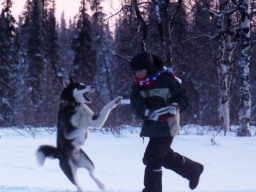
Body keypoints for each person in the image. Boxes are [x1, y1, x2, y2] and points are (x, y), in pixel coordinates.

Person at [130, 52, 204, 192]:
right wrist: (147, 112)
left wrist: (175, 106)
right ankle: (193, 169)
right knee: (163, 156)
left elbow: (183, 98)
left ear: (149, 68)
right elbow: (135, 105)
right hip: (151, 126)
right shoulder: (138, 85)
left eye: (140, 70)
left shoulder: (166, 79)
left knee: (151, 159)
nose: (137, 74)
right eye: (135, 72)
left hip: (167, 126)